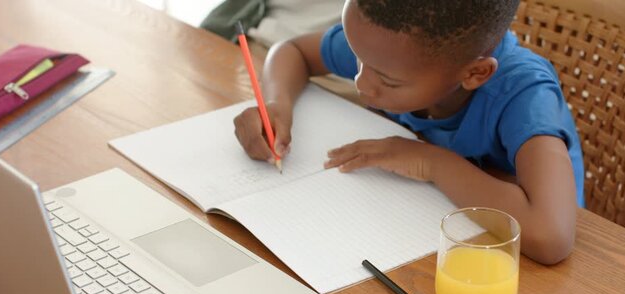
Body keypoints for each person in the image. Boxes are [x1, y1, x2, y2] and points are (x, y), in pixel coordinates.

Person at [232, 0, 584, 265]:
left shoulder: (524, 94)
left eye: (387, 80)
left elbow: (551, 235)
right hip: (410, 230)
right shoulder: (386, 44)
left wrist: (430, 163)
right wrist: (276, 104)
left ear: (475, 74)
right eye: (356, 58)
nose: (361, 82)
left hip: (510, 268)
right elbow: (293, 51)